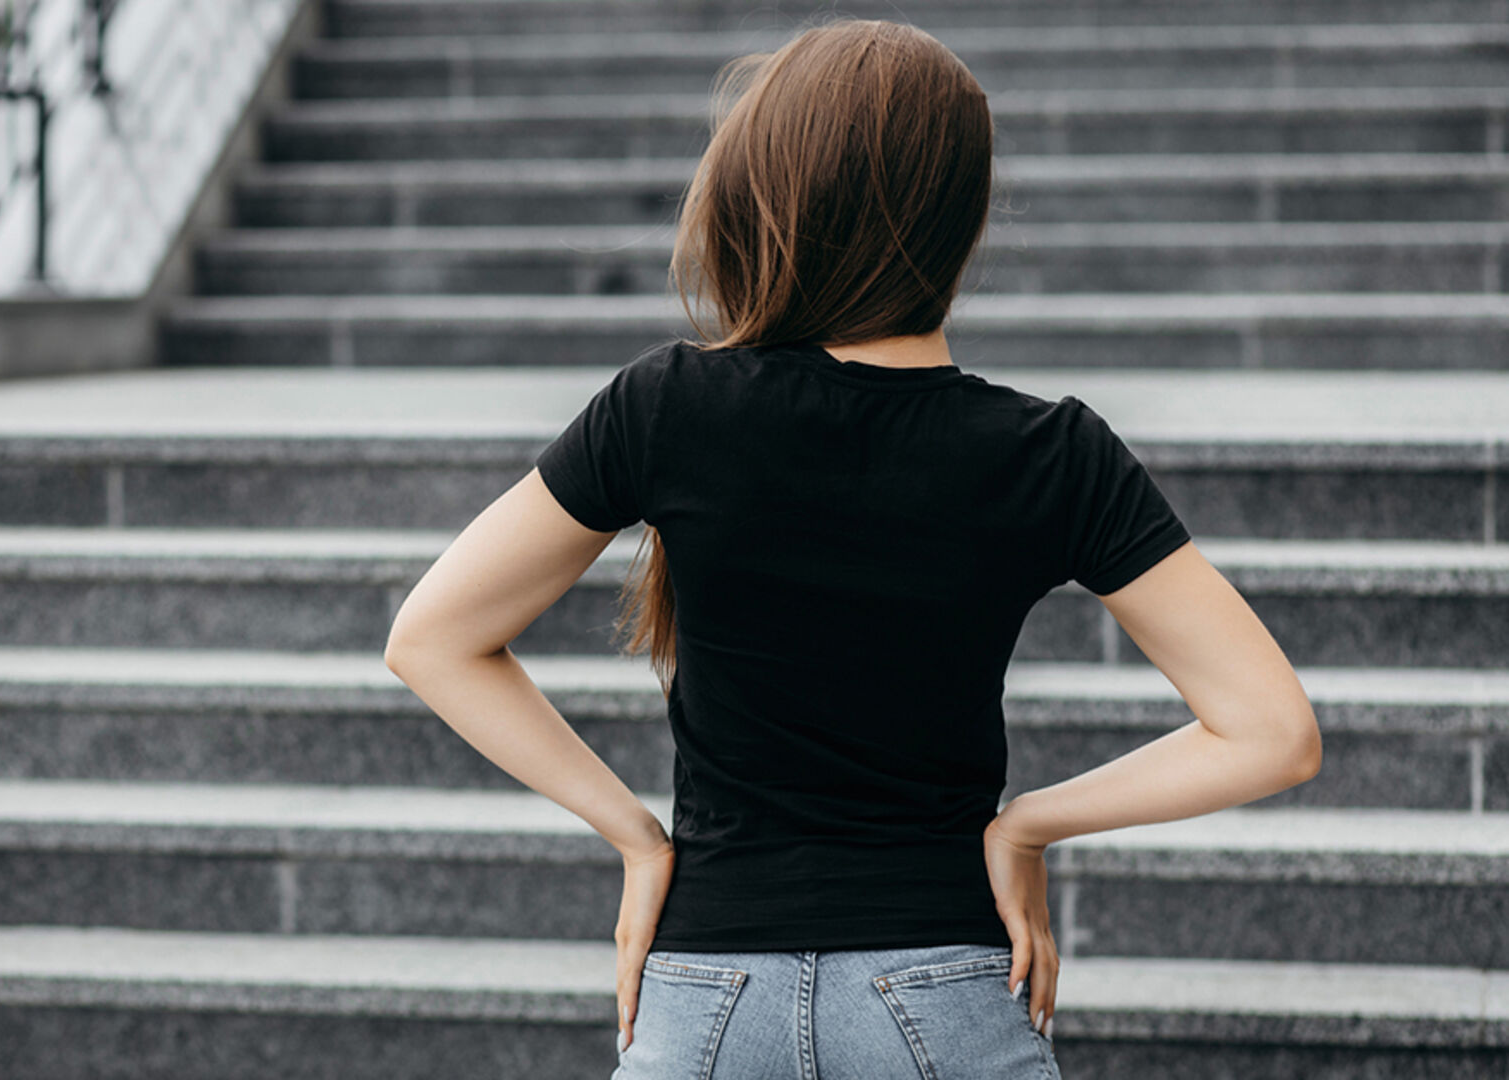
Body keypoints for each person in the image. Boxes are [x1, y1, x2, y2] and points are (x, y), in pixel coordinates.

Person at [383, 16, 1322, 1079]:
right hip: (947, 995)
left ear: (762, 191)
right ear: (960, 220)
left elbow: (433, 638)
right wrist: (1025, 828)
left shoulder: (669, 408)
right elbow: (1270, 732)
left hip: (702, 1000)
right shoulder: (1047, 451)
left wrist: (638, 841)